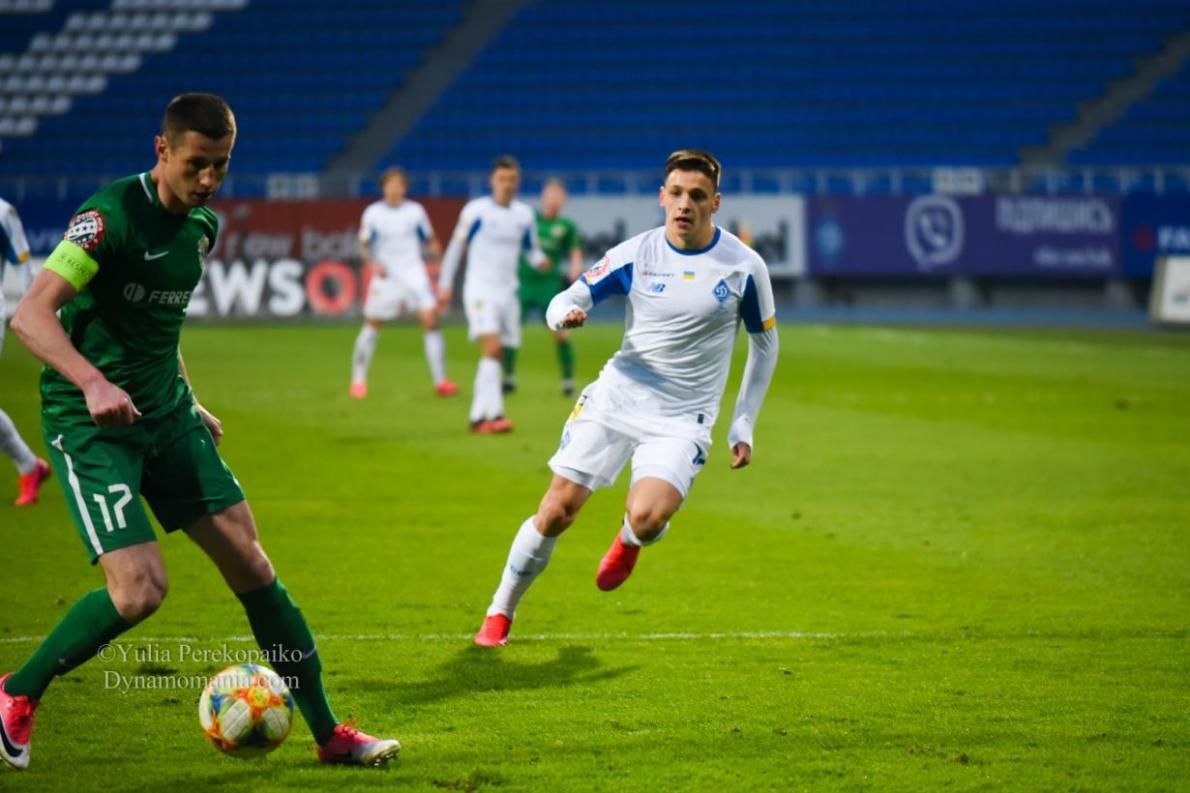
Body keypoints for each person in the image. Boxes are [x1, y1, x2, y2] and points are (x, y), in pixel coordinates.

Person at [0, 93, 400, 771]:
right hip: (91, 424)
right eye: (196, 164)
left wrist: (189, 398)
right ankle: (17, 690)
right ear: (162, 150)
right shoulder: (108, 219)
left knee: (253, 564)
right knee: (139, 591)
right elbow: (31, 316)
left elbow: (162, 328)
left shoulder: (201, 227)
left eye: (221, 164)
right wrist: (93, 382)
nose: (209, 179)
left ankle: (330, 733)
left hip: (168, 415)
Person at [473, 149, 779, 647]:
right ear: (662, 197)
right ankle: (499, 611)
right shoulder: (637, 254)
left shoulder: (744, 266)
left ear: (715, 203)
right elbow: (567, 297)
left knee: (648, 517)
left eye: (697, 196)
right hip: (617, 399)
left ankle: (631, 538)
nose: (685, 204)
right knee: (556, 511)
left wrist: (743, 422)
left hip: (682, 417)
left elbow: (765, 344)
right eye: (676, 193)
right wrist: (562, 315)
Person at [438, 156, 547, 433]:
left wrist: (540, 261)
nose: (507, 184)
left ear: (517, 182)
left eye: (512, 179)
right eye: (502, 179)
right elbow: (455, 248)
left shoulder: (524, 215)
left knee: (496, 355)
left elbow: (531, 249)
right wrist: (444, 284)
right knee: (492, 348)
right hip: (480, 290)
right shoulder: (476, 211)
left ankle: (478, 417)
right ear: (492, 181)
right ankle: (495, 414)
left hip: (508, 293)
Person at [349, 166, 457, 399]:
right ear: (383, 187)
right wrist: (373, 263)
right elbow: (363, 246)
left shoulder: (415, 211)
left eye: (398, 184)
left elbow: (430, 239)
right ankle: (358, 380)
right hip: (387, 276)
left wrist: (439, 259)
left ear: (404, 187)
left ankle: (441, 381)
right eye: (390, 184)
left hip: (414, 274)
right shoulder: (373, 213)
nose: (394, 188)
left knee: (431, 321)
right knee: (373, 324)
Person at [502, 178, 584, 397]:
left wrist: (575, 268)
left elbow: (575, 251)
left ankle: (568, 381)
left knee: (560, 332)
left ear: (564, 200)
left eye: (558, 195)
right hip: (523, 283)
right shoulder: (529, 220)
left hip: (549, 285)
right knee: (511, 331)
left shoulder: (566, 226)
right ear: (543, 197)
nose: (554, 199)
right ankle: (508, 378)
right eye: (550, 194)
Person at [0, 197, 52, 506]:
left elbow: (24, 268)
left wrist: (36, 315)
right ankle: (30, 466)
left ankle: (28, 465)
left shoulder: (3, 212)